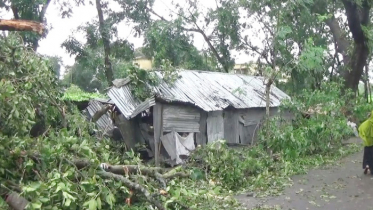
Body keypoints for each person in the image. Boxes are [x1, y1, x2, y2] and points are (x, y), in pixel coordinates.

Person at [358, 110, 373, 175]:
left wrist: (364, 137)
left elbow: (361, 129)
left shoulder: (366, 123)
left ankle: (367, 165)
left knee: (367, 154)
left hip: (367, 142)